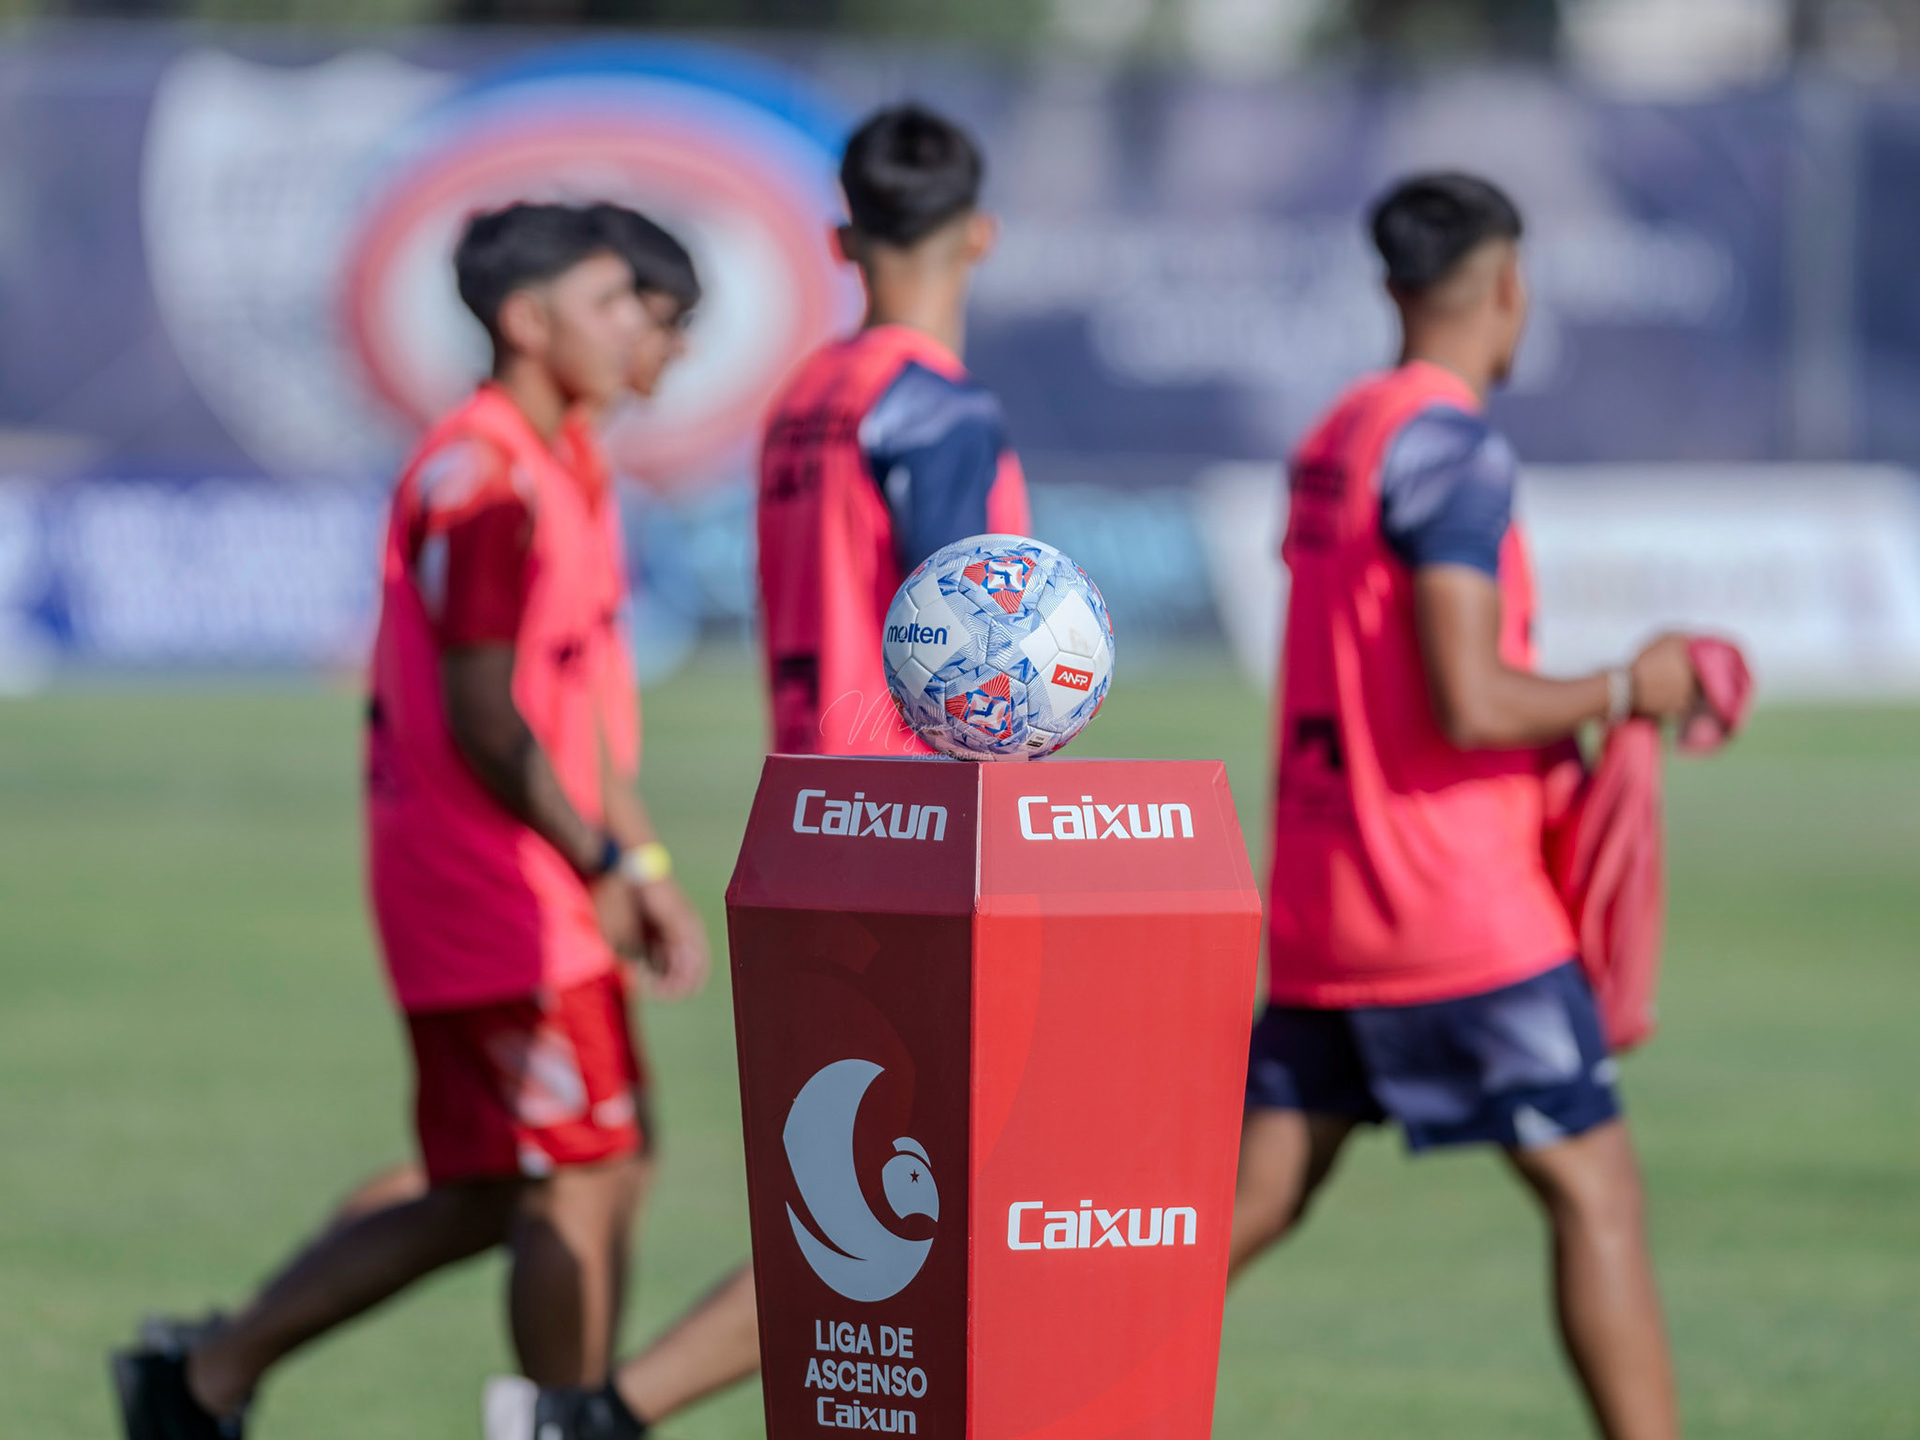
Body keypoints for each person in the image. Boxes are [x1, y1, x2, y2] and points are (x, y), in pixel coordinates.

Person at [112, 201, 709, 1440]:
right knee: (572, 1173)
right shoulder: (482, 479)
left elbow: (577, 710)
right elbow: (490, 721)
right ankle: (557, 1423)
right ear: (527, 321)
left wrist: (634, 855)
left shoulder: (562, 458)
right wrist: (599, 858)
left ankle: (205, 1377)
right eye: (616, 306)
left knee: (505, 1182)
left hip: (537, 883)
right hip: (498, 894)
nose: (641, 330)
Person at [483, 101, 1033, 1440]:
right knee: (939, 1189)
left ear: (843, 239)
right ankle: (592, 1416)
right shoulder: (937, 409)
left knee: (881, 1186)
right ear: (981, 236)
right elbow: (978, 653)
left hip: (810, 816)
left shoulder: (806, 398)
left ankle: (596, 1413)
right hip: (919, 829)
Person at [1230, 172, 1697, 1440]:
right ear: (1509, 287)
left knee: (1240, 1213)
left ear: (1388, 288)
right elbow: (1473, 702)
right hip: (1449, 905)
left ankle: (1023, 1384)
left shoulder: (1339, 434)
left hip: (1327, 905)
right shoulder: (1453, 447)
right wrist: (1630, 684)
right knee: (1594, 1189)